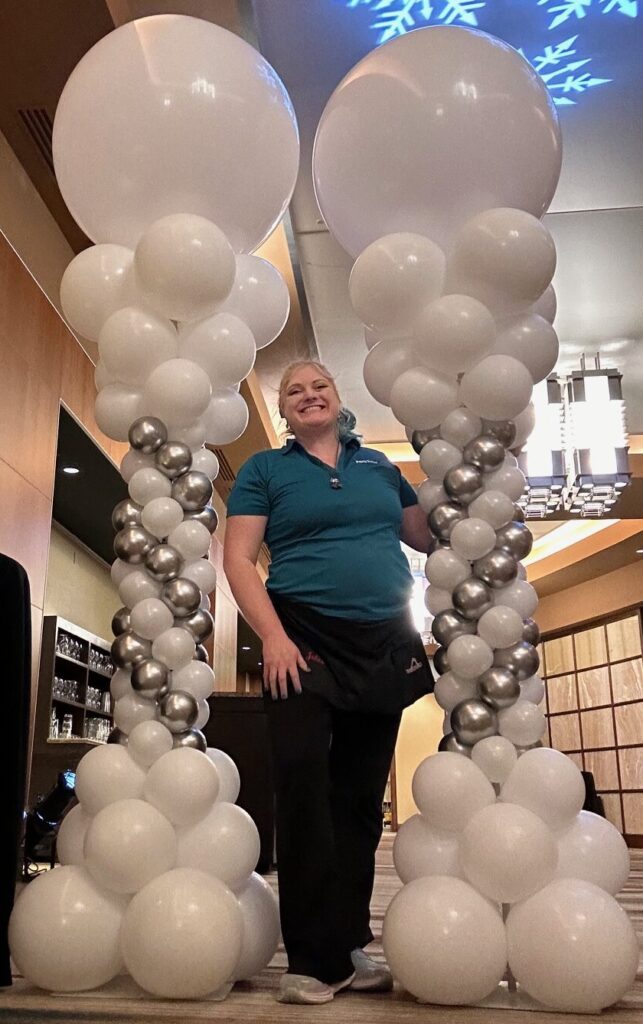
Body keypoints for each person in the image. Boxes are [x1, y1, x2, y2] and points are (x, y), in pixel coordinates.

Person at [223, 360, 435, 1005]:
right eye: (294, 391)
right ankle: (312, 961)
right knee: (303, 784)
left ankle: (348, 946)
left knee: (359, 801)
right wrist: (276, 639)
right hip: (301, 637)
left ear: (338, 400)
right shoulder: (266, 470)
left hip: (383, 638)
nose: (308, 395)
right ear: (284, 412)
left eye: (320, 386)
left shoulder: (380, 469)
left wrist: (449, 470)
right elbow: (237, 559)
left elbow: (424, 537)